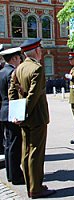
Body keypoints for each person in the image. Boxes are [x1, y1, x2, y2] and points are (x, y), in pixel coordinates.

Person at [8, 38, 55, 198]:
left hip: (23, 118)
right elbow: (34, 96)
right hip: (36, 117)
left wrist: (17, 114)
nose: (41, 52)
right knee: (36, 153)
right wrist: (24, 113)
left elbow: (12, 93)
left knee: (26, 152)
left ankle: (31, 186)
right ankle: (36, 189)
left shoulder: (18, 69)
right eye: (40, 49)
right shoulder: (37, 68)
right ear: (36, 51)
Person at [0, 47, 24, 185]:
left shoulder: (1, 72)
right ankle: (15, 175)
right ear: (14, 59)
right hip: (12, 111)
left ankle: (10, 174)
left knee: (8, 144)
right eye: (19, 58)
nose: (20, 60)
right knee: (15, 144)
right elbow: (14, 95)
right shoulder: (12, 73)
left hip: (3, 111)